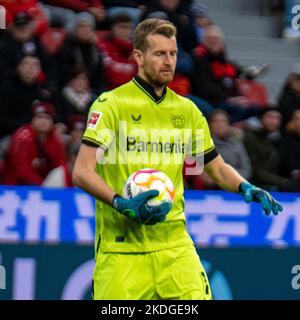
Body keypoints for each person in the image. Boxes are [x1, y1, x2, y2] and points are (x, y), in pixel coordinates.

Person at [72, 19, 283, 300]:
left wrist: (247, 187)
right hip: (121, 248)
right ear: (138, 56)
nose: (168, 61)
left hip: (174, 246)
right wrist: (121, 203)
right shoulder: (112, 105)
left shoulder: (188, 112)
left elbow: (216, 168)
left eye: (172, 54)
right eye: (159, 54)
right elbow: (82, 172)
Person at [1, 100, 70, 186]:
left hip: (42, 185)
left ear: (52, 122)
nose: (43, 121)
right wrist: (42, 186)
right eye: (39, 117)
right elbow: (21, 170)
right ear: (31, 120)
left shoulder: (54, 139)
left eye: (47, 118)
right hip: (15, 186)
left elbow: (60, 167)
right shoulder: (22, 136)